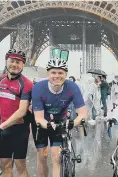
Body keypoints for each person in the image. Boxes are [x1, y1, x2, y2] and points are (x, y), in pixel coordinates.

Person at [31, 49, 88, 177]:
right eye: (53, 72)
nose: (57, 76)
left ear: (66, 74)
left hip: (61, 121)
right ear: (48, 74)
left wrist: (73, 122)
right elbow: (38, 118)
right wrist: (49, 125)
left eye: (60, 72)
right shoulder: (38, 88)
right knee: (42, 156)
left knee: (56, 157)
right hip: (42, 123)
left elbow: (83, 113)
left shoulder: (72, 87)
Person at [0, 49, 33, 177]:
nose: (14, 64)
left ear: (22, 65)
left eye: (18, 62)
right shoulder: (1, 79)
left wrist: (2, 126)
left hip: (19, 129)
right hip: (3, 127)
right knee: (5, 164)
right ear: (6, 61)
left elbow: (22, 111)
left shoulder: (26, 84)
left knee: (19, 165)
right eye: (12, 61)